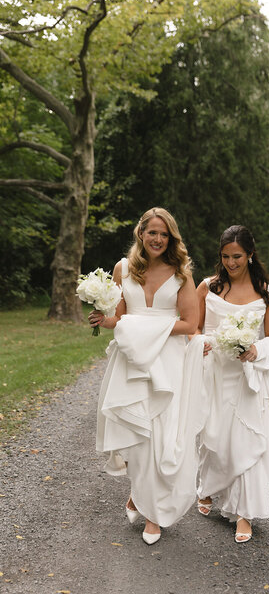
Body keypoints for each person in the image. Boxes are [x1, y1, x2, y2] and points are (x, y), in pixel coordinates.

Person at [89, 207, 199, 545]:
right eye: (152, 232)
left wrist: (143, 328)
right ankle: (140, 493)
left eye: (164, 234)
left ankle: (153, 515)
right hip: (131, 361)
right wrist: (102, 319)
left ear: (171, 238)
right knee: (137, 437)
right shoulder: (123, 268)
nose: (157, 239)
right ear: (141, 233)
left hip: (166, 361)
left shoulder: (181, 273)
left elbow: (190, 324)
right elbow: (119, 317)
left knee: (160, 435)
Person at [194, 225, 269, 543]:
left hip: (248, 376)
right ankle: (207, 488)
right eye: (226, 257)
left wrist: (257, 349)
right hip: (215, 372)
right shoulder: (207, 288)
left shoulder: (267, 292)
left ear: (250, 255)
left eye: (238, 257)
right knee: (214, 436)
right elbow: (193, 327)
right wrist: (202, 341)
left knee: (245, 439)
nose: (231, 262)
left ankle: (244, 512)